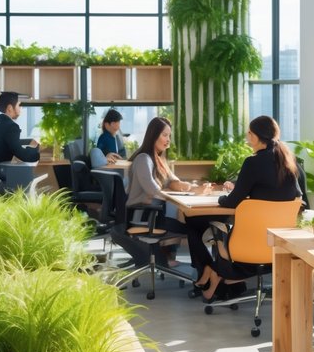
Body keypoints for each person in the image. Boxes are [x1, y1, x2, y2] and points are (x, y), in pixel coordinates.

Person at [192, 115, 303, 300]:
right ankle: (219, 277)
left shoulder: (253, 162)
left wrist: (221, 198)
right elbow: (298, 197)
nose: (247, 135)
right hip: (281, 244)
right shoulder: (290, 161)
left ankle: (217, 273)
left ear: (257, 136)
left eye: (249, 132)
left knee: (219, 229)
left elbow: (232, 202)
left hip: (250, 243)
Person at [120, 117, 201, 268]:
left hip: (154, 215)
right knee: (195, 227)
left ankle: (173, 259)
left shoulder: (159, 159)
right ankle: (201, 272)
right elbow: (153, 190)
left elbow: (173, 181)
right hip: (145, 217)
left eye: (169, 136)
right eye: (164, 135)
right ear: (153, 135)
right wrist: (178, 196)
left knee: (194, 223)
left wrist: (194, 188)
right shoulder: (144, 159)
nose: (168, 140)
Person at [0, 91, 40, 168]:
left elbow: (14, 149)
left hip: (0, 168)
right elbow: (22, 155)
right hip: (6, 170)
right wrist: (39, 154)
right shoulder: (11, 126)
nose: (21, 108)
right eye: (19, 105)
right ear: (10, 108)